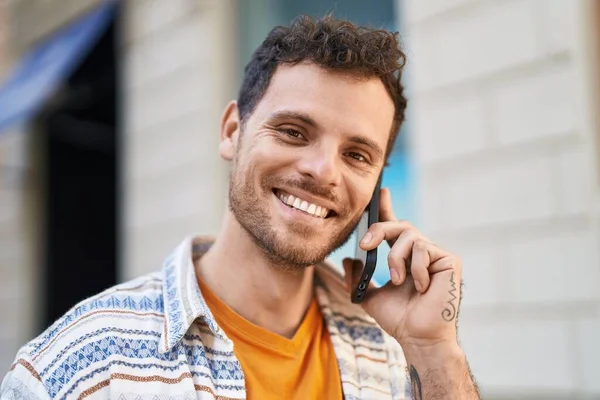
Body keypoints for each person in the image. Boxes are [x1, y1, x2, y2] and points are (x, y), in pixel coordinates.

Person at [1, 15, 480, 400]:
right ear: (233, 130)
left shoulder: (397, 354)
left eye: (357, 155)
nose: (324, 172)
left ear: (377, 186)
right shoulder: (80, 367)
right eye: (294, 132)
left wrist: (434, 351)